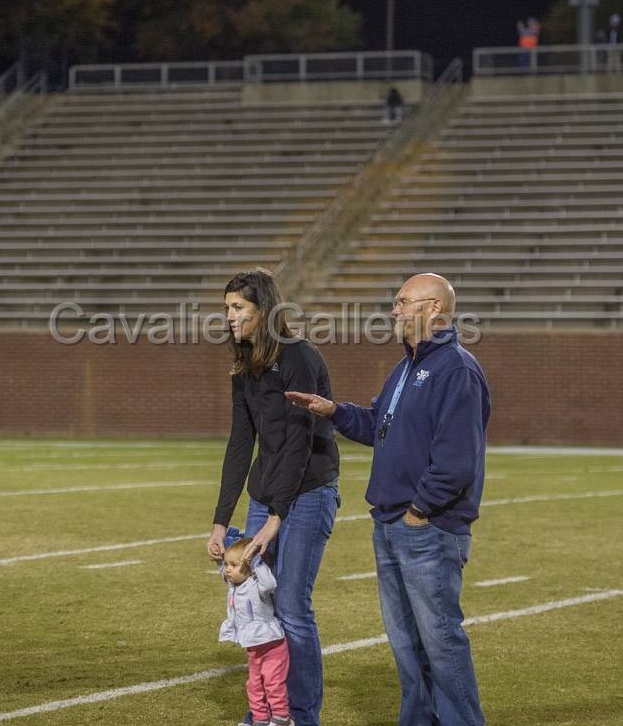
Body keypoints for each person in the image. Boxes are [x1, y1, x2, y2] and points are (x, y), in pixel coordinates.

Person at [286, 273, 489, 726]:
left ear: (434, 307)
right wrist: (333, 410)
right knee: (407, 644)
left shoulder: (455, 368)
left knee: (440, 641)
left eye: (402, 301)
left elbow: (457, 461)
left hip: (427, 527)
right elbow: (380, 424)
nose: (393, 310)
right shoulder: (408, 366)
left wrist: (418, 513)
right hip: (393, 523)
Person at [206, 269, 340, 726]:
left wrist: (276, 518)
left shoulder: (299, 357)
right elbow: (241, 443)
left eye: (238, 308)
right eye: (226, 308)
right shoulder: (245, 364)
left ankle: (301, 717)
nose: (229, 317)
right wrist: (221, 523)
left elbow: (300, 444)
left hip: (309, 491)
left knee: (292, 609)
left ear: (263, 309)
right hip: (268, 493)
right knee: (261, 607)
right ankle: (265, 714)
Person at [219, 537, 292, 726]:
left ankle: (281, 717)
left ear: (249, 566)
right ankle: (260, 719)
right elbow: (226, 571)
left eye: (233, 565)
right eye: (226, 564)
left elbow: (270, 585)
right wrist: (221, 555)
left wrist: (257, 562)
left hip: (272, 644)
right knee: (253, 684)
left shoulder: (256, 584)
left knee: (272, 681)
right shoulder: (234, 585)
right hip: (253, 648)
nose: (227, 569)